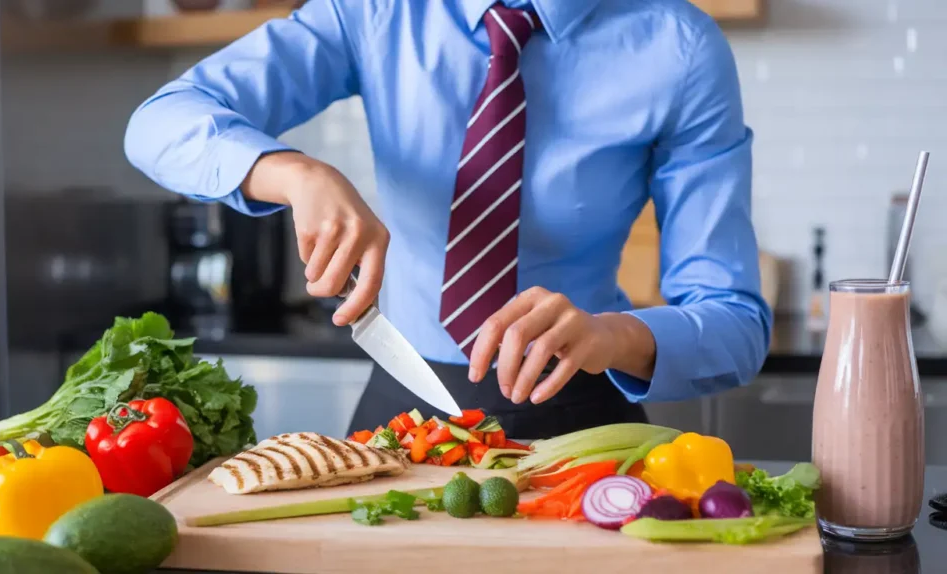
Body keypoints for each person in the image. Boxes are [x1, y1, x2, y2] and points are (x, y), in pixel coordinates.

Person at [124, 0, 772, 439]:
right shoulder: (376, 11)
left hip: (582, 418)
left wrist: (613, 336)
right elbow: (161, 121)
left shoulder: (679, 45)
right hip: (402, 401)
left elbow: (735, 323)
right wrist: (295, 172)